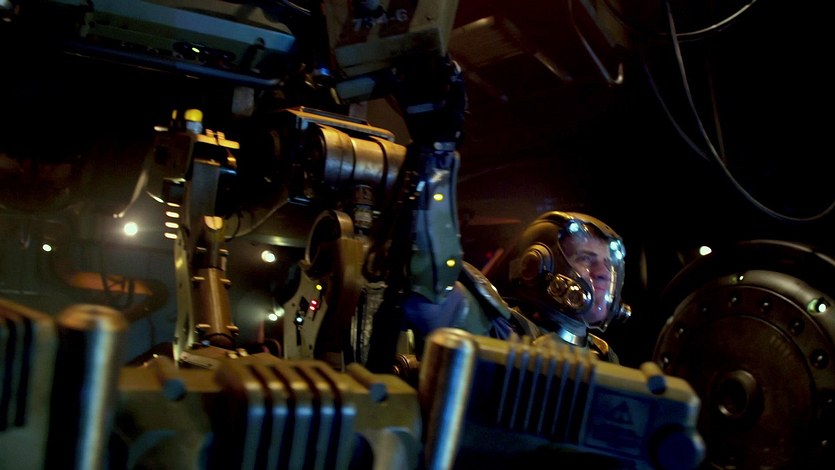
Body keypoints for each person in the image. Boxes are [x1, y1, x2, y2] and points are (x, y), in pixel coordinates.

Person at [488, 210, 632, 363]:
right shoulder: (496, 329)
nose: (604, 273)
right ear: (537, 265)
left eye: (608, 265)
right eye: (585, 259)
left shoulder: (605, 356)